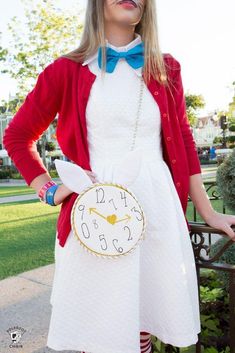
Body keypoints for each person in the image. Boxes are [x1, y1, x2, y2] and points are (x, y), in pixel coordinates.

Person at [3, 1, 235, 352]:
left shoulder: (166, 68)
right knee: (100, 325)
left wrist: (209, 213)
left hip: (154, 208)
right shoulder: (65, 70)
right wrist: (48, 189)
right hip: (95, 213)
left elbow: (185, 143)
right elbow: (17, 137)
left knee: (140, 321)